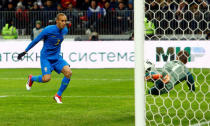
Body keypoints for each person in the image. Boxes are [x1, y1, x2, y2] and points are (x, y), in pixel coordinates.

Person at [17, 13, 72, 104]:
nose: (64, 23)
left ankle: (58, 95)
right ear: (57, 21)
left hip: (57, 58)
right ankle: (32, 78)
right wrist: (25, 51)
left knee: (68, 72)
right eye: (62, 21)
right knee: (46, 79)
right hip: (46, 58)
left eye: (65, 21)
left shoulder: (65, 30)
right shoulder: (48, 30)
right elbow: (36, 40)